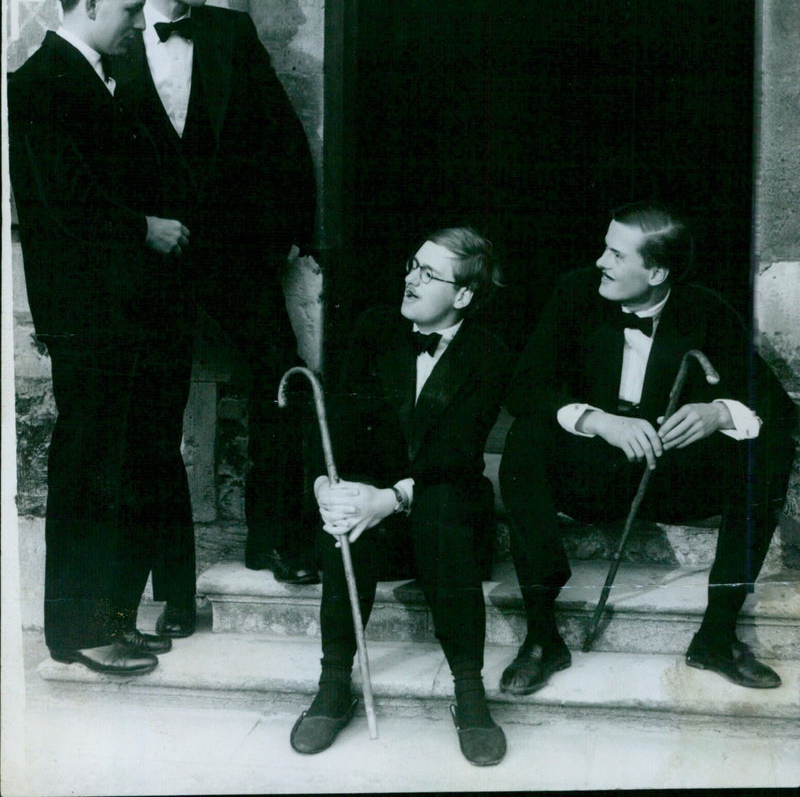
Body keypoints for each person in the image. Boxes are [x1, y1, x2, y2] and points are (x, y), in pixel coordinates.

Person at [112, 0, 319, 622]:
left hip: (234, 251)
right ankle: (168, 588)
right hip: (148, 262)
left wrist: (293, 233)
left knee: (282, 377)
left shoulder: (232, 34)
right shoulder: (105, 40)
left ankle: (278, 540)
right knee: (154, 410)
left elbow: (283, 138)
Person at [499, 202, 797, 695]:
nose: (601, 261)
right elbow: (523, 388)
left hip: (671, 480)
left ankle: (717, 636)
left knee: (766, 449)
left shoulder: (704, 308)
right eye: (604, 249)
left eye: (616, 254)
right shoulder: (575, 293)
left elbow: (778, 406)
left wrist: (719, 412)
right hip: (593, 476)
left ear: (657, 271)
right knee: (525, 440)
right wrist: (598, 421)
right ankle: (541, 636)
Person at [8, 0, 197, 675]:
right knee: (89, 472)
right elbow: (63, 204)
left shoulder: (99, 74)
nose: (134, 23)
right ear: (91, 2)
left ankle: (112, 619)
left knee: (124, 470)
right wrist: (144, 227)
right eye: (126, 9)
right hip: (91, 318)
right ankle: (80, 631)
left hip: (127, 316)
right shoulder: (39, 84)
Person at [290, 227, 511, 765]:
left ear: (462, 295)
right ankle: (334, 683)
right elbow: (335, 425)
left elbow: (457, 455)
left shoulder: (489, 351)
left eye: (428, 273)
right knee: (347, 517)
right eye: (413, 264)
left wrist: (388, 498)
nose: (410, 278)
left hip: (447, 518)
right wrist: (328, 486)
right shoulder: (373, 328)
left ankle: (468, 691)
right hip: (379, 524)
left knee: (439, 505)